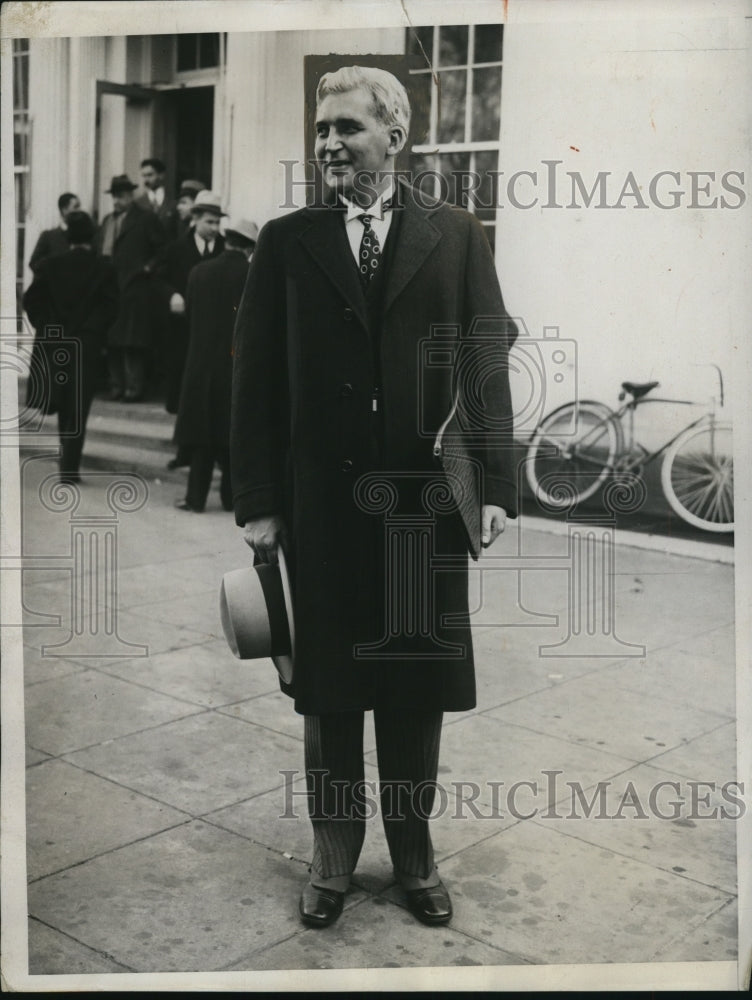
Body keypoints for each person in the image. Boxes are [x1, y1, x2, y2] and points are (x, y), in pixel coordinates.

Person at [231, 66, 518, 929]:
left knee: (414, 691)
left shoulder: (457, 236)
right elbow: (254, 381)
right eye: (321, 130)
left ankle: (417, 857)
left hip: (422, 511)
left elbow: (484, 361)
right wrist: (258, 500)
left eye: (347, 128)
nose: (329, 144)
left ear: (393, 136)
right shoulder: (288, 241)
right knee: (327, 695)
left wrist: (497, 486)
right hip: (320, 509)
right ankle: (330, 859)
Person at [23, 211, 119, 482]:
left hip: (55, 344)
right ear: (92, 237)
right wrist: (92, 330)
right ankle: (69, 468)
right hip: (86, 345)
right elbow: (111, 308)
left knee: (63, 401)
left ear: (68, 237)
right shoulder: (104, 267)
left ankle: (66, 465)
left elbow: (31, 301)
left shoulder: (50, 265)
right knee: (79, 406)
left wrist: (49, 325)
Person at [174, 218, 257, 513]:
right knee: (231, 435)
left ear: (227, 240)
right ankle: (231, 498)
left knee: (201, 435)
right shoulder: (252, 274)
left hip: (200, 363)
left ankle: (195, 498)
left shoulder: (198, 272)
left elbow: (190, 316)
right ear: (248, 247)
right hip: (236, 365)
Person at [154, 189, 226, 415]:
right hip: (183, 324)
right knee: (181, 370)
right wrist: (171, 295)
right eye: (209, 222)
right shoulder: (176, 248)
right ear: (195, 219)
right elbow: (158, 279)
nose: (215, 228)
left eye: (217, 223)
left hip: (216, 325)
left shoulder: (226, 248)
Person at [95, 173, 166, 402]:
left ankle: (134, 389)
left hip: (135, 288)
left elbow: (163, 249)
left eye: (122, 196)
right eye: (114, 196)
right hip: (110, 290)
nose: (117, 201)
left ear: (131, 195)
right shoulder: (107, 221)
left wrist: (147, 269)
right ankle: (116, 386)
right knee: (113, 341)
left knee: (133, 342)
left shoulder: (146, 219)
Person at [28, 192, 81, 274]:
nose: (79, 211)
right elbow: (34, 263)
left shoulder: (84, 236)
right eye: (76, 207)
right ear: (64, 210)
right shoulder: (48, 236)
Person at [136, 157, 178, 239]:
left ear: (161, 175)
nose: (146, 180)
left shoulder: (173, 201)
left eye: (150, 175)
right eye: (144, 176)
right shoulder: (138, 203)